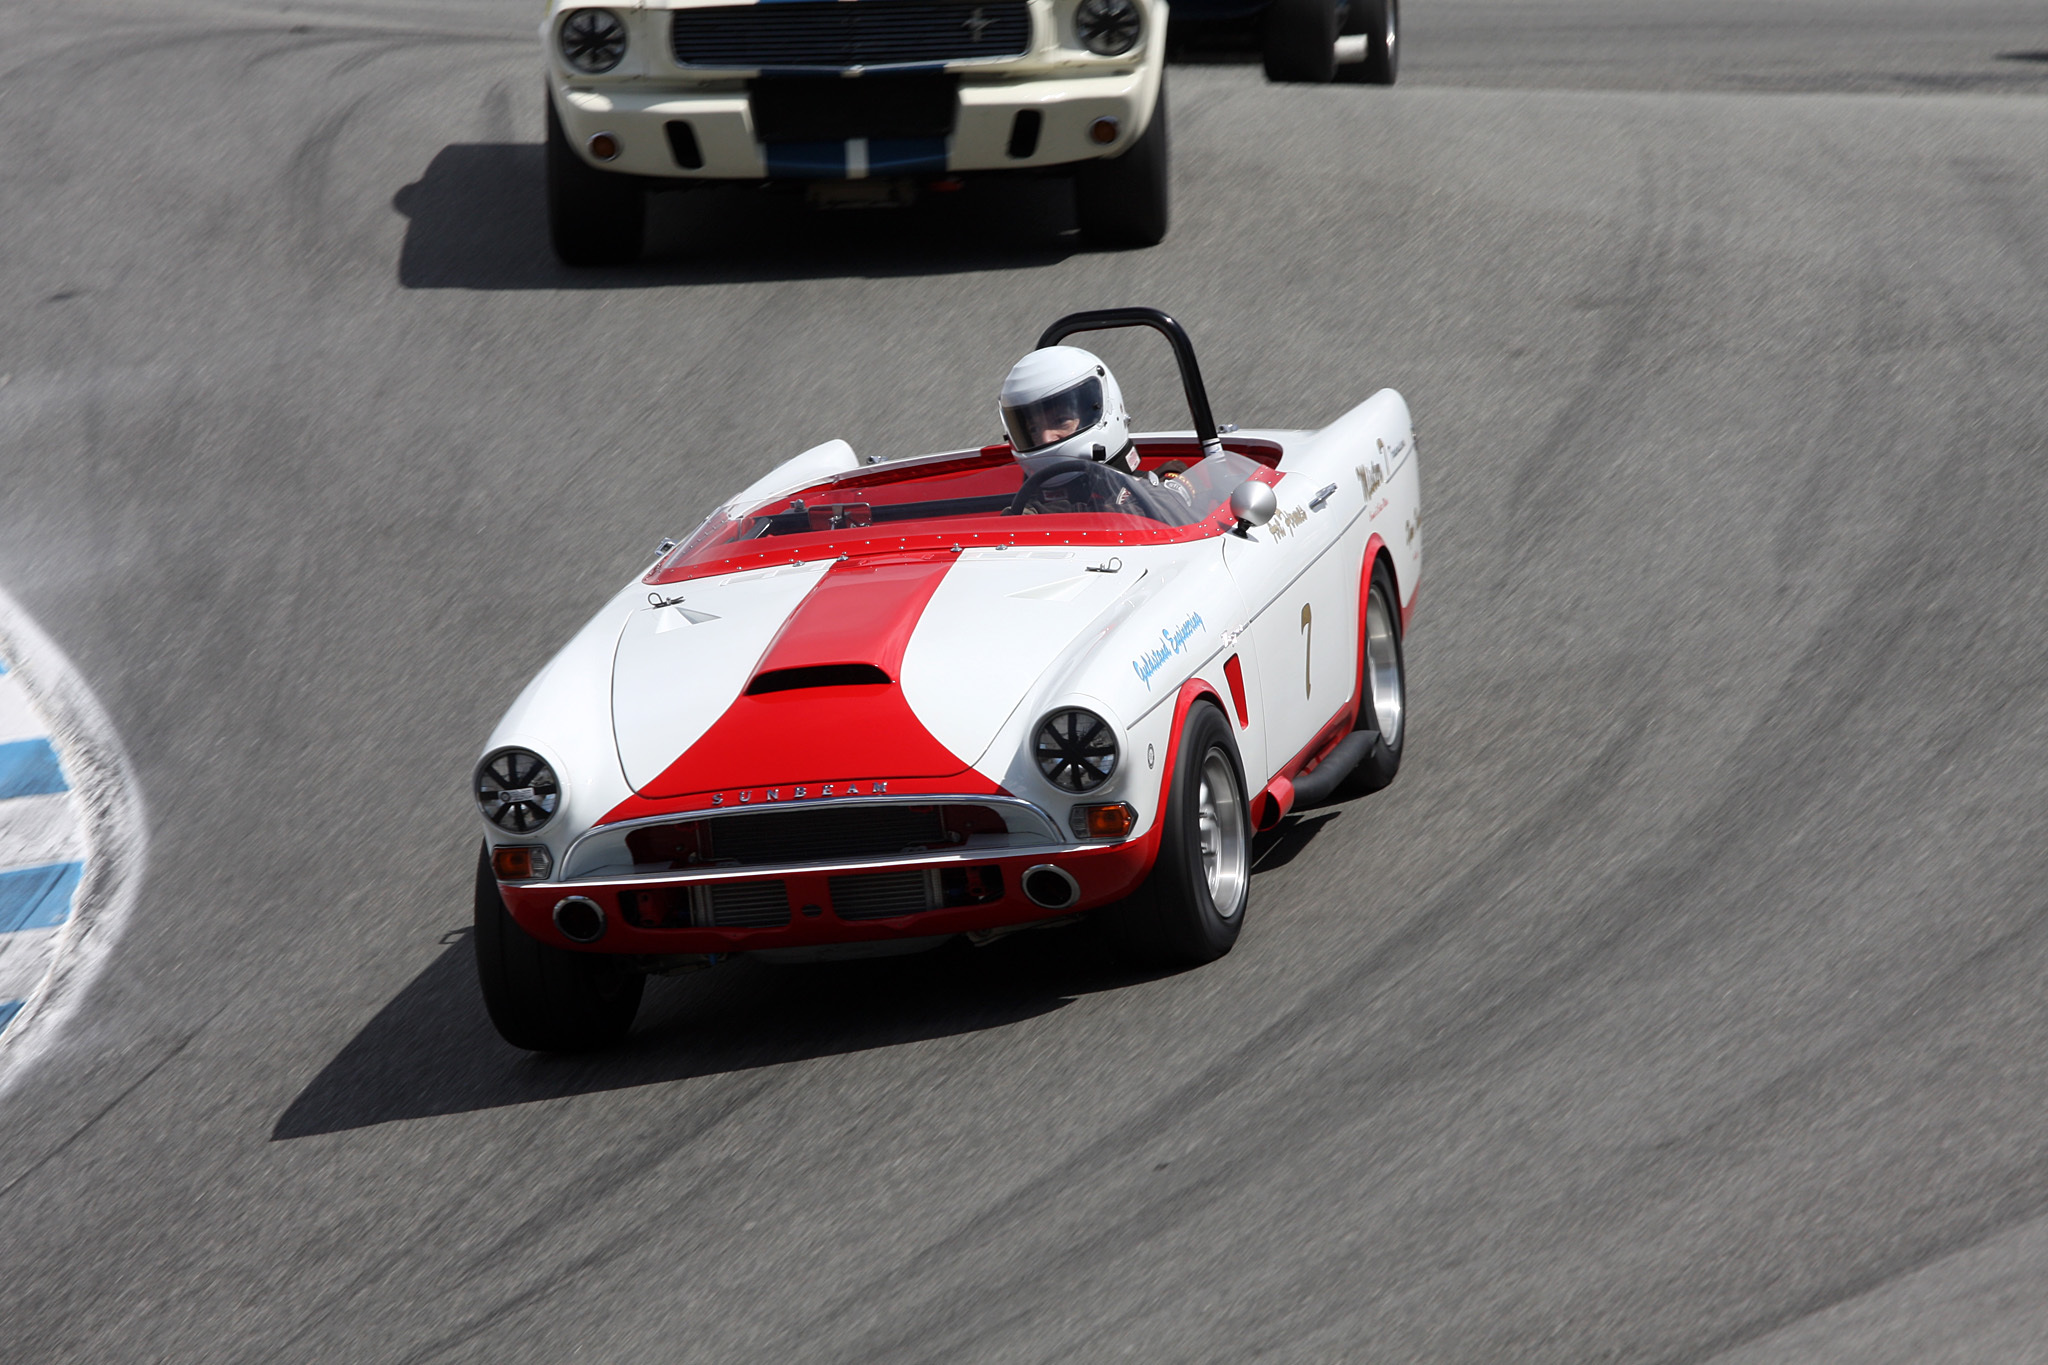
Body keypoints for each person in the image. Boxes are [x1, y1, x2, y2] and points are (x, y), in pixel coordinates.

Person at [998, 346, 1138, 472]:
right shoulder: (1022, 500)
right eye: (1034, 429)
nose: (1046, 438)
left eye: (1061, 421)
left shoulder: (1153, 497)